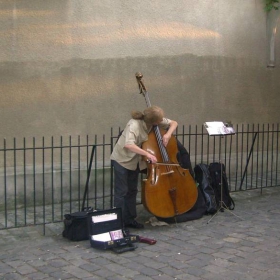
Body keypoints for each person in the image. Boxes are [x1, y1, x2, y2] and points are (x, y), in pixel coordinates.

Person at [110, 105, 178, 229]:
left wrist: (168, 134)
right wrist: (147, 154)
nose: (162, 121)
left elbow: (174, 123)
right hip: (122, 160)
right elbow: (129, 145)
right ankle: (118, 223)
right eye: (160, 120)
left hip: (135, 161)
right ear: (153, 121)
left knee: (132, 190)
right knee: (121, 192)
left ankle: (130, 219)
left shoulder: (154, 121)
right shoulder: (134, 125)